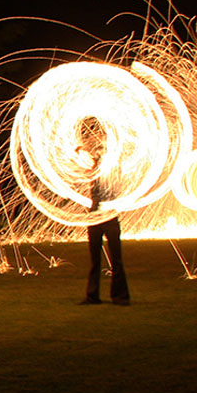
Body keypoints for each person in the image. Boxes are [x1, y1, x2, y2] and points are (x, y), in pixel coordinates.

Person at [77, 118, 130, 306]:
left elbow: (117, 185)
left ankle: (120, 297)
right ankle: (92, 296)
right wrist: (79, 151)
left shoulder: (115, 162)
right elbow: (85, 160)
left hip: (110, 214)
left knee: (116, 259)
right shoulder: (96, 161)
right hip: (94, 215)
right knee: (95, 259)